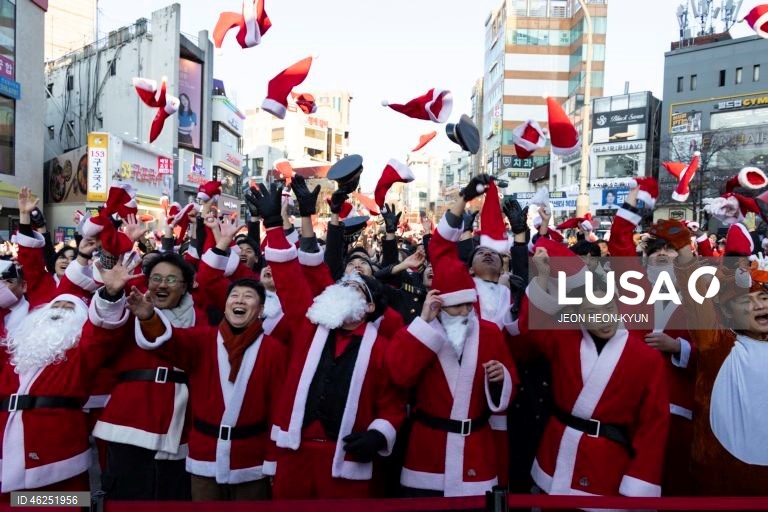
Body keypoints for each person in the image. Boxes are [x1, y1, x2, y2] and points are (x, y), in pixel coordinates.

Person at [251, 182, 405, 499]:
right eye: (343, 284)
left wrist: (378, 435)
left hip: (344, 462)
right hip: (294, 455)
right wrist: (275, 226)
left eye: (356, 288)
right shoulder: (310, 326)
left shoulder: (380, 348)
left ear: (370, 307)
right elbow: (290, 279)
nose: (345, 289)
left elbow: (392, 403)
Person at [515, 239, 669, 498]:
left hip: (607, 462)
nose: (604, 318)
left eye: (609, 308)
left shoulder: (646, 358)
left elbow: (654, 425)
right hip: (557, 453)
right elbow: (530, 330)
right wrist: (541, 277)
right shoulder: (564, 338)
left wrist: (640, 479)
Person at [386, 199, 516, 497]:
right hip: (427, 452)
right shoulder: (420, 332)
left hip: (476, 451)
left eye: (469, 306)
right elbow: (399, 375)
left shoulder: (489, 332)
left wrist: (501, 380)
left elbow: (510, 378)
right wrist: (423, 325)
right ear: (440, 305)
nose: (464, 313)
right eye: (456, 307)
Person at [129, 274, 286, 501]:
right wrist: (149, 318)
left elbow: (279, 411)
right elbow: (172, 344)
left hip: (251, 461)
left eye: (248, 296)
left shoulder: (274, 350)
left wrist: (273, 460)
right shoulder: (202, 340)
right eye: (234, 295)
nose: (240, 300)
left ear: (261, 309)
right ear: (225, 306)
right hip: (204, 455)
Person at [664, 221, 768, 495]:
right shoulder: (718, 345)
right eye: (747, 302)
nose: (759, 306)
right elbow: (697, 302)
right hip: (719, 483)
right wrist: (684, 251)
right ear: (730, 313)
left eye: (764, 298)